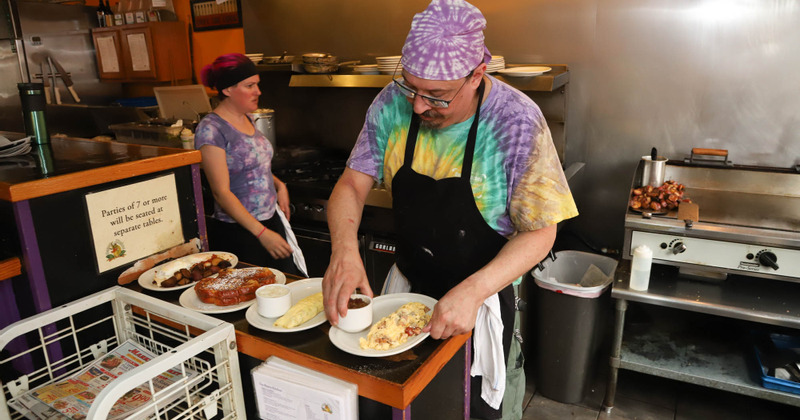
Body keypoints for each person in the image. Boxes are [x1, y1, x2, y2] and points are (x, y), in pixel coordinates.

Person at [322, 1, 578, 418]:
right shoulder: (391, 102)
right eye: (410, 88)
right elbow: (351, 183)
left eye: (436, 96)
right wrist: (345, 250)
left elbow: (541, 231)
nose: (417, 106)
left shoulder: (515, 120)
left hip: (480, 301)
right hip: (407, 291)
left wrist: (473, 291)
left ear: (477, 75)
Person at [195, 53, 305, 276]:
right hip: (240, 232)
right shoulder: (211, 129)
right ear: (228, 89)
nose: (258, 91)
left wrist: (280, 185)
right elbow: (221, 192)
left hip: (269, 222)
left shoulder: (248, 118)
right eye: (249, 85)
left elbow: (253, 167)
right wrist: (262, 233)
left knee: (286, 286)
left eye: (257, 84)